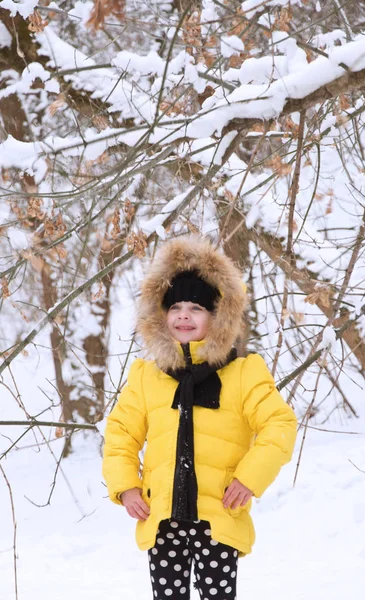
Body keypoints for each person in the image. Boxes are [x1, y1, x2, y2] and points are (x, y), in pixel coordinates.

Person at [102, 236, 297, 600]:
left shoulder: (244, 372)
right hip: (162, 519)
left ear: (218, 316)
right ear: (162, 314)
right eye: (175, 307)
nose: (184, 316)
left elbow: (279, 424)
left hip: (219, 516)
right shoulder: (147, 375)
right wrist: (125, 485)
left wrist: (249, 477)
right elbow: (120, 434)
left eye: (196, 307)